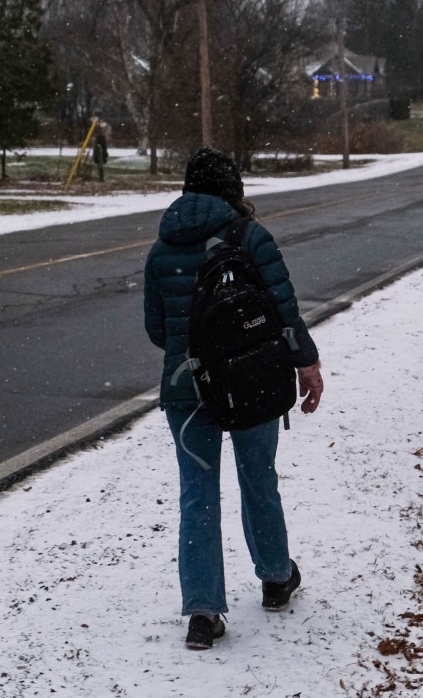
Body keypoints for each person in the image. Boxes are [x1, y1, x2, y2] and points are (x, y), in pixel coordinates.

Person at [142, 147, 324, 651]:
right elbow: (283, 312)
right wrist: (306, 364)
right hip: (253, 381)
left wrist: (196, 346)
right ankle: (274, 578)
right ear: (234, 190)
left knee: (197, 495)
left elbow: (158, 330)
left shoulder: (162, 248)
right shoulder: (251, 237)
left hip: (187, 388)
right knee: (257, 477)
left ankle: (202, 613)